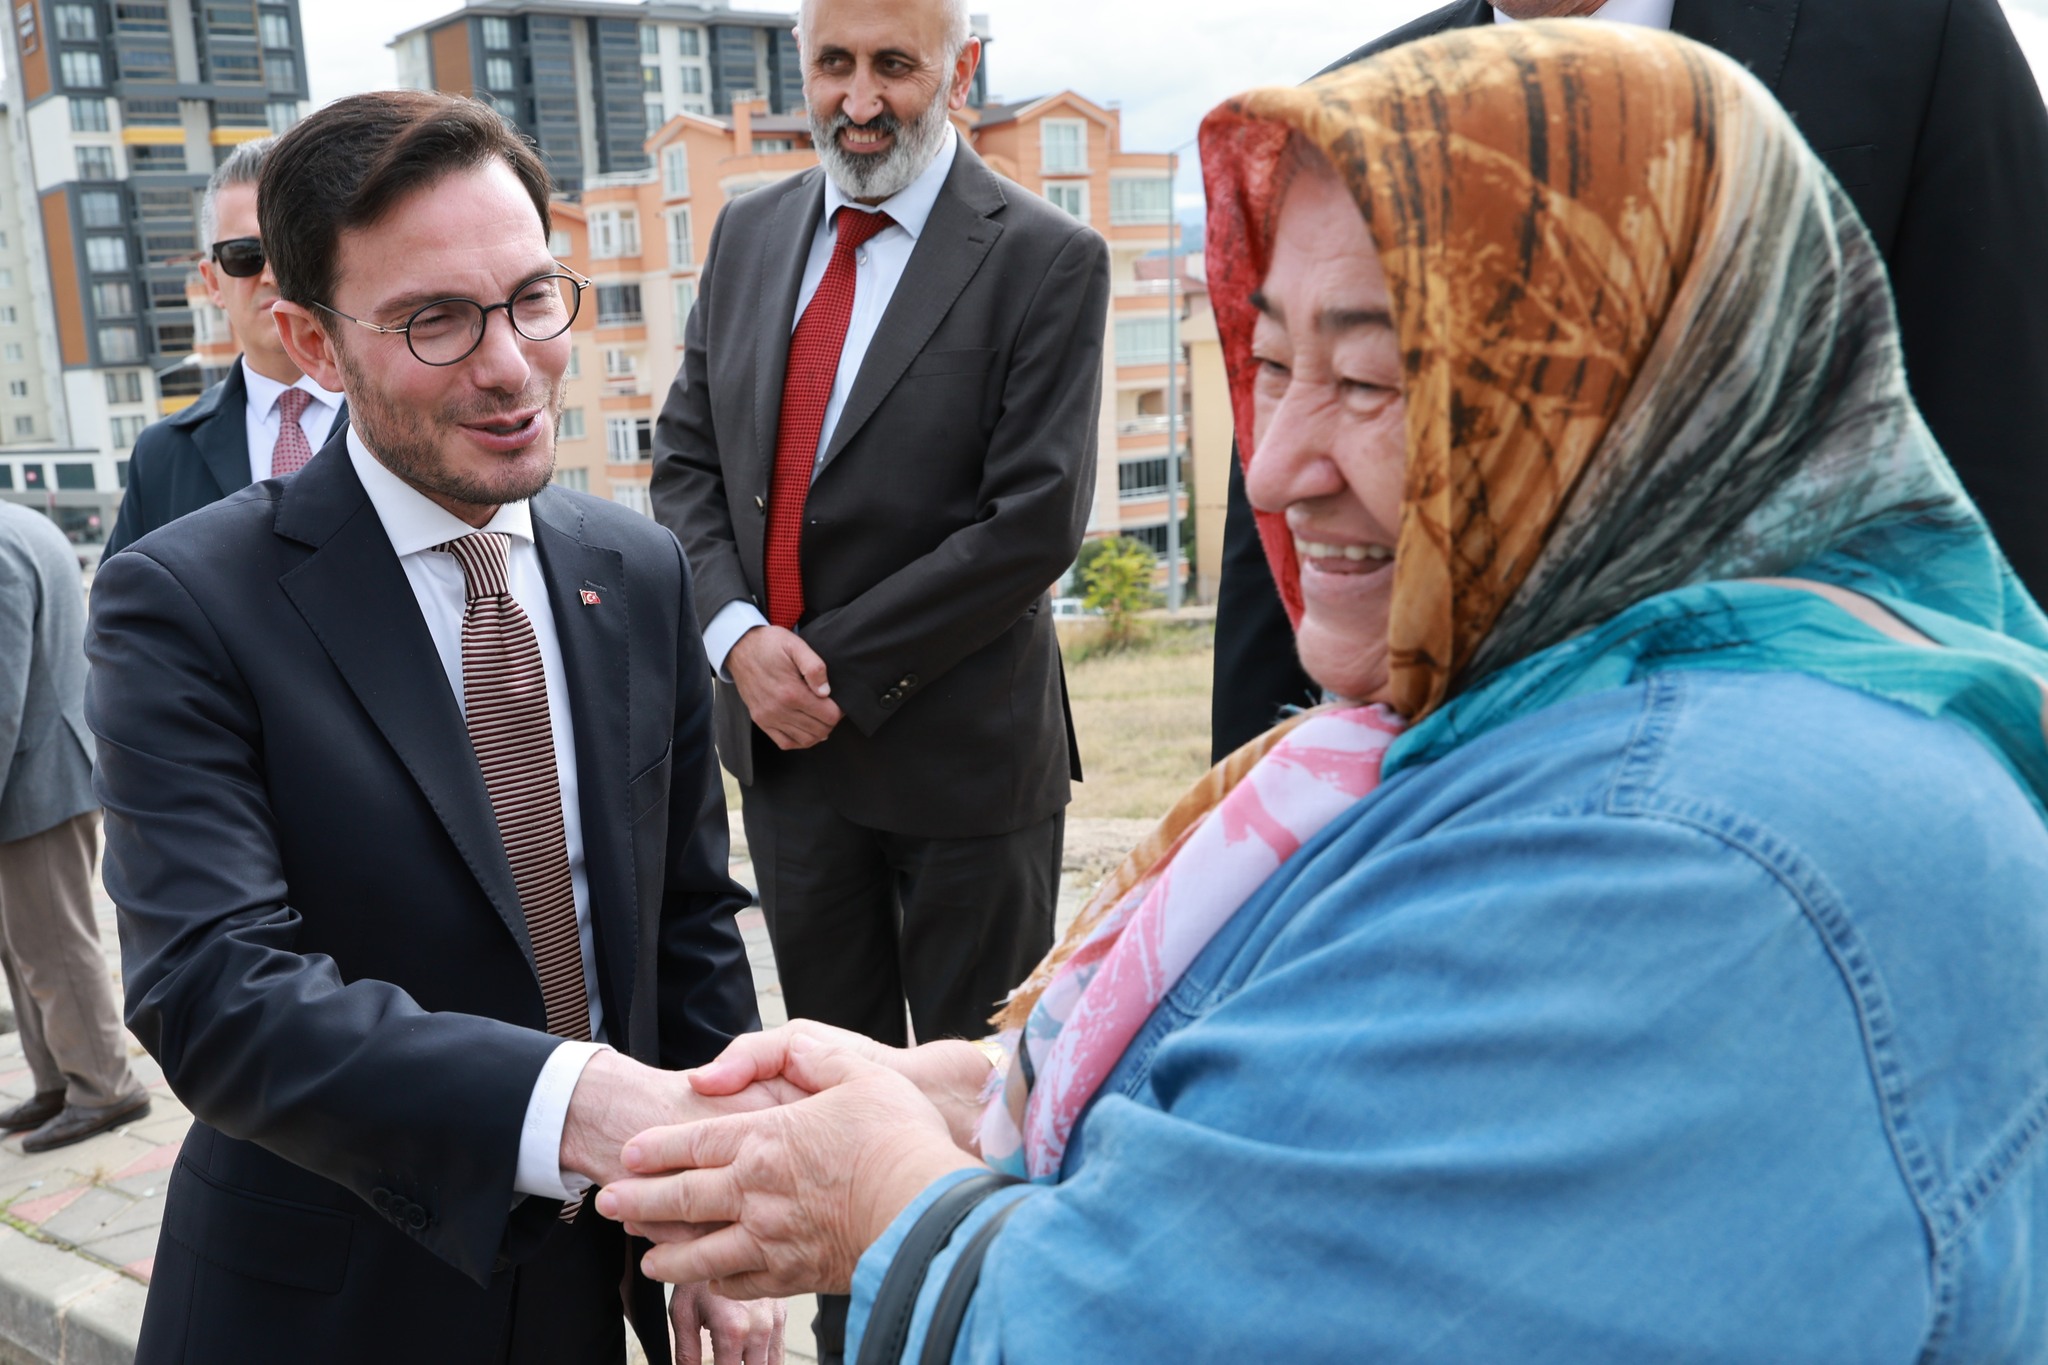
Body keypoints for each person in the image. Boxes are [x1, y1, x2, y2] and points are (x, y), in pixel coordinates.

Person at [598, 24, 2048, 1362]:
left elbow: (1185, 1325)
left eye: (1375, 379)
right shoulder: (1560, 710)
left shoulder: (1691, 852)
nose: (1278, 469)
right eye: (1272, 363)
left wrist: (888, 1194)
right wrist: (1001, 1099)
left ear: (1645, 387)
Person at [87, 91, 784, 1365]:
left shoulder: (635, 570)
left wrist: (712, 1211)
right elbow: (213, 992)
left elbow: (684, 921)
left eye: (530, 297)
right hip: (324, 1301)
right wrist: (570, 1101)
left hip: (585, 1289)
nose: (511, 361)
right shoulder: (183, 601)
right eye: (436, 320)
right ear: (309, 340)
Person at [1209, 0, 2048, 760]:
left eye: (1368, 377)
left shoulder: (1915, 35)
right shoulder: (1347, 107)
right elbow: (1279, 502)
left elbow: (2007, 421)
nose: (1281, 469)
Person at [651, 0, 1106, 1353]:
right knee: (833, 1109)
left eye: (894, 66)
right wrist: (737, 640)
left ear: (954, 70)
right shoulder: (747, 232)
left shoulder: (1045, 257)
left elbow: (1031, 523)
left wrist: (824, 667)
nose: (860, 99)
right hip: (791, 772)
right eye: (834, 64)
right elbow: (684, 465)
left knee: (975, 1127)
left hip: (967, 767)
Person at [103, 137, 347, 558]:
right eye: (245, 253)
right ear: (212, 282)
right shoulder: (163, 456)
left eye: (291, 248)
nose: (272, 273)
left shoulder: (403, 414)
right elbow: (121, 615)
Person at [0, 504, 148, 1153]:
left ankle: (104, 1087)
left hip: (35, 772)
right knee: (28, 942)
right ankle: (59, 1078)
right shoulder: (21, 523)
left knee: (52, 940)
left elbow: (2, 693)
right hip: (40, 764)